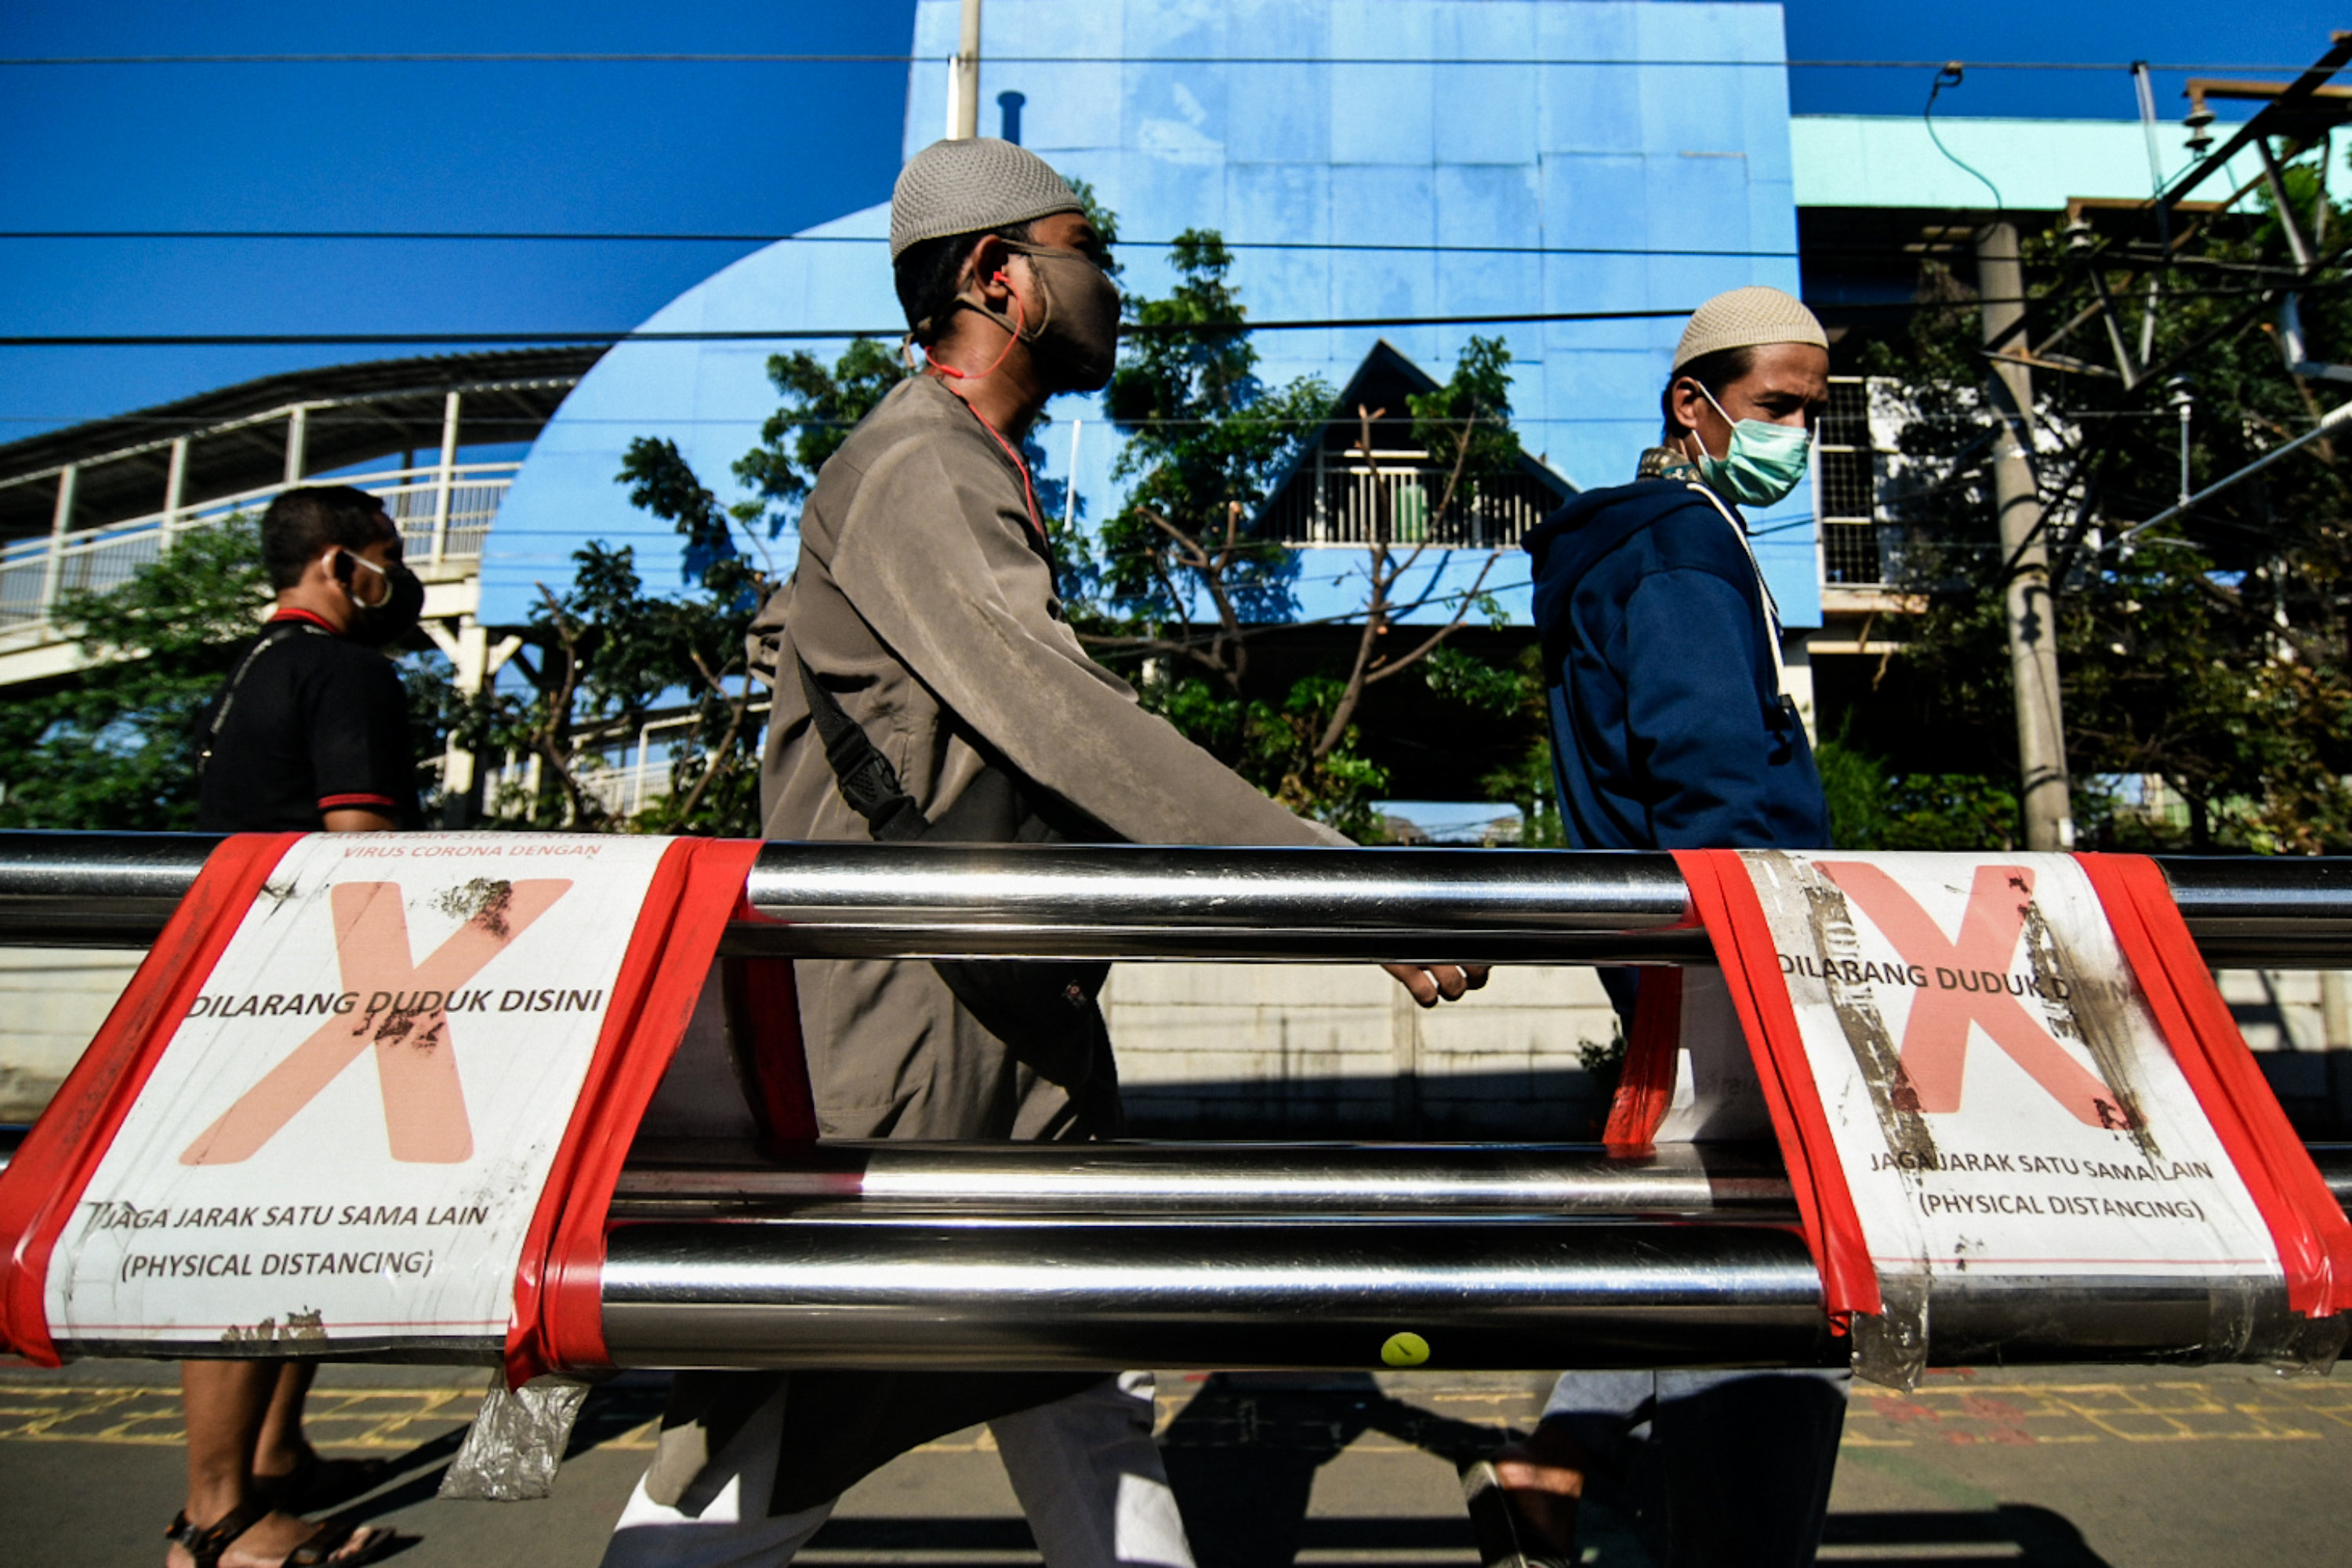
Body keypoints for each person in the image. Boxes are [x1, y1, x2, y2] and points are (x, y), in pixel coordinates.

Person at [601, 136, 1483, 1568]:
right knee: (778, 1434)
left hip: (1002, 1035)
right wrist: (1330, 882)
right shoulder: (916, 469)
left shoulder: (959, 466)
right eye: (1087, 250)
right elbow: (1069, 722)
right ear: (997, 276)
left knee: (1084, 1382)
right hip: (922, 1052)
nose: (1112, 284)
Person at [1465, 288, 1846, 1568]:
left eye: (1813, 410)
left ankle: (1550, 1468)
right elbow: (1714, 775)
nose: (1798, 432)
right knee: (1780, 1294)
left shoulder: (1636, 544)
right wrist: (1810, 964)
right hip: (1739, 954)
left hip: (1673, 956)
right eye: (1779, 404)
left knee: (1682, 1222)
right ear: (1695, 404)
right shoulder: (1686, 549)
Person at [166, 484, 422, 1568]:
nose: (395, 579)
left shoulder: (248, 677)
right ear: (336, 564)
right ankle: (219, 1521)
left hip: (235, 977)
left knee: (296, 1229)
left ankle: (275, 1457)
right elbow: (359, 848)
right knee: (250, 1246)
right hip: (311, 995)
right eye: (384, 557)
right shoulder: (346, 671)